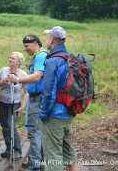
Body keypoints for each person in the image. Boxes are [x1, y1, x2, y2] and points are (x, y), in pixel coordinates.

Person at [39, 26, 78, 171]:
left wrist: (43, 115)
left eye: (47, 37)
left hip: (54, 115)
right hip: (69, 110)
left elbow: (49, 92)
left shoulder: (53, 61)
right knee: (68, 151)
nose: (46, 39)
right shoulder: (70, 58)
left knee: (53, 156)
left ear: (52, 40)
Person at [8, 35, 47, 171]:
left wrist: (17, 79)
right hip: (38, 98)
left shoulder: (41, 56)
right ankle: (37, 160)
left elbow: (37, 77)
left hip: (38, 99)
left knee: (34, 131)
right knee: (38, 131)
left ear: (35, 43)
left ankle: (34, 165)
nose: (25, 49)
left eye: (27, 46)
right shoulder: (40, 56)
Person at [0, 51, 29, 160]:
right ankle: (8, 148)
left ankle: (17, 150)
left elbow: (26, 92)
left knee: (11, 126)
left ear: (19, 62)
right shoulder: (3, 70)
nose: (10, 59)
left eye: (13, 58)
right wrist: (3, 81)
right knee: (4, 126)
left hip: (15, 103)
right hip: (2, 102)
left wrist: (23, 106)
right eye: (9, 57)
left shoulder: (23, 74)